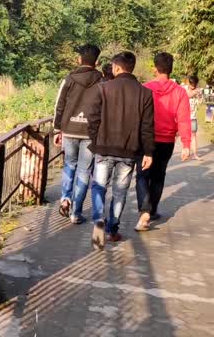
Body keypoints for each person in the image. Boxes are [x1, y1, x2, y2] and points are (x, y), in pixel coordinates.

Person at [87, 51, 155, 249]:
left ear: (116, 68)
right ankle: (112, 229)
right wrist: (148, 152)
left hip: (103, 148)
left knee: (99, 186)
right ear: (131, 68)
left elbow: (93, 120)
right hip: (129, 151)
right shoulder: (145, 93)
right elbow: (147, 127)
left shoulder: (103, 88)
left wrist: (95, 140)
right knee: (119, 192)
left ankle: (98, 220)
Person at [135, 53, 191, 229]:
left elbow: (137, 116)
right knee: (158, 177)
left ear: (154, 68)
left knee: (143, 175)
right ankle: (151, 211)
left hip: (145, 139)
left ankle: (144, 210)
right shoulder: (180, 92)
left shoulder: (144, 88)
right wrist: (186, 144)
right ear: (171, 69)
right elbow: (183, 119)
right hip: (166, 140)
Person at [53, 44, 103, 224]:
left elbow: (60, 105)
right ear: (97, 62)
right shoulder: (102, 82)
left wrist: (57, 129)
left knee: (69, 164)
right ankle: (76, 212)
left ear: (79, 60)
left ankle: (65, 198)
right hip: (90, 133)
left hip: (70, 130)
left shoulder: (69, 79)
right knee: (84, 170)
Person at [185, 75, 203, 160]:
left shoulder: (198, 91)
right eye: (190, 84)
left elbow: (200, 102)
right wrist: (194, 92)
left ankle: (195, 154)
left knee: (193, 135)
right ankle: (185, 152)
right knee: (179, 135)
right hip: (183, 116)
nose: (192, 86)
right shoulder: (185, 89)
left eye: (193, 84)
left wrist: (198, 95)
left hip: (193, 116)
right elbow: (186, 96)